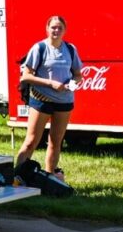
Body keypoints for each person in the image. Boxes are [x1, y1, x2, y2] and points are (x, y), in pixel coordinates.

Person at [14, 15, 83, 180]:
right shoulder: (39, 48)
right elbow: (25, 76)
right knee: (31, 141)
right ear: (47, 29)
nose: (56, 31)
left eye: (60, 28)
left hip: (64, 101)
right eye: (53, 27)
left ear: (65, 30)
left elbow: (78, 74)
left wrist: (73, 83)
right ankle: (18, 177)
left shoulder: (70, 49)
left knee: (55, 142)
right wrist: (50, 83)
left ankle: (49, 178)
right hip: (41, 100)